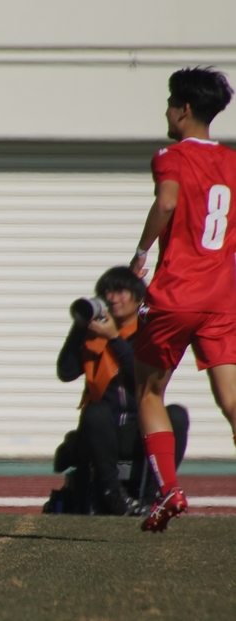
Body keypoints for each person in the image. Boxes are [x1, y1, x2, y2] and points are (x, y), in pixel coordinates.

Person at [131, 67, 236, 532]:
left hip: (177, 294)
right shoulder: (233, 163)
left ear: (185, 109)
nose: (167, 111)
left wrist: (141, 252)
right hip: (222, 297)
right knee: (232, 399)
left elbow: (168, 202)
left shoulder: (170, 155)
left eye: (171, 102)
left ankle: (169, 489)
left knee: (149, 391)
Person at [55, 266, 189, 515]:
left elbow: (141, 377)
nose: (112, 298)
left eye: (120, 291)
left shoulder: (149, 332)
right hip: (102, 431)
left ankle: (154, 498)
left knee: (177, 415)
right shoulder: (93, 334)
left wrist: (115, 338)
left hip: (141, 427)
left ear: (138, 297)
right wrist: (79, 328)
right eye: (106, 292)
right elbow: (65, 371)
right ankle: (113, 497)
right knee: (95, 412)